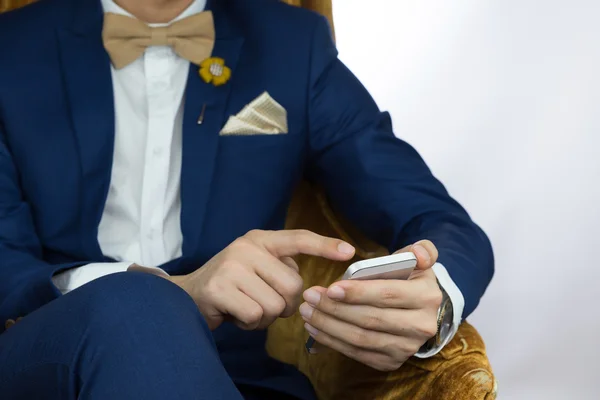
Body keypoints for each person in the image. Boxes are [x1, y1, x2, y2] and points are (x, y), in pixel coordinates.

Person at [0, 0, 494, 398]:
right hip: (40, 354)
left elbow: (435, 218)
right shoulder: (11, 44)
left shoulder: (293, 46)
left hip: (236, 375)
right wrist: (165, 291)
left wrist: (436, 295)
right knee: (137, 303)